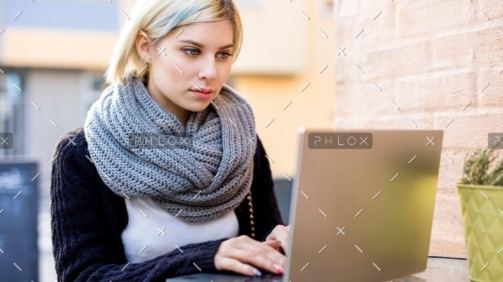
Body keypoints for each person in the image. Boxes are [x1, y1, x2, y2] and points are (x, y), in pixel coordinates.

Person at [49, 0, 291, 281]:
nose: (210, 73)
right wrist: (202, 258)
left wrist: (277, 244)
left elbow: (261, 245)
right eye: (191, 51)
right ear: (145, 46)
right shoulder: (81, 154)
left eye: (223, 54)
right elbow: (82, 276)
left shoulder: (241, 140)